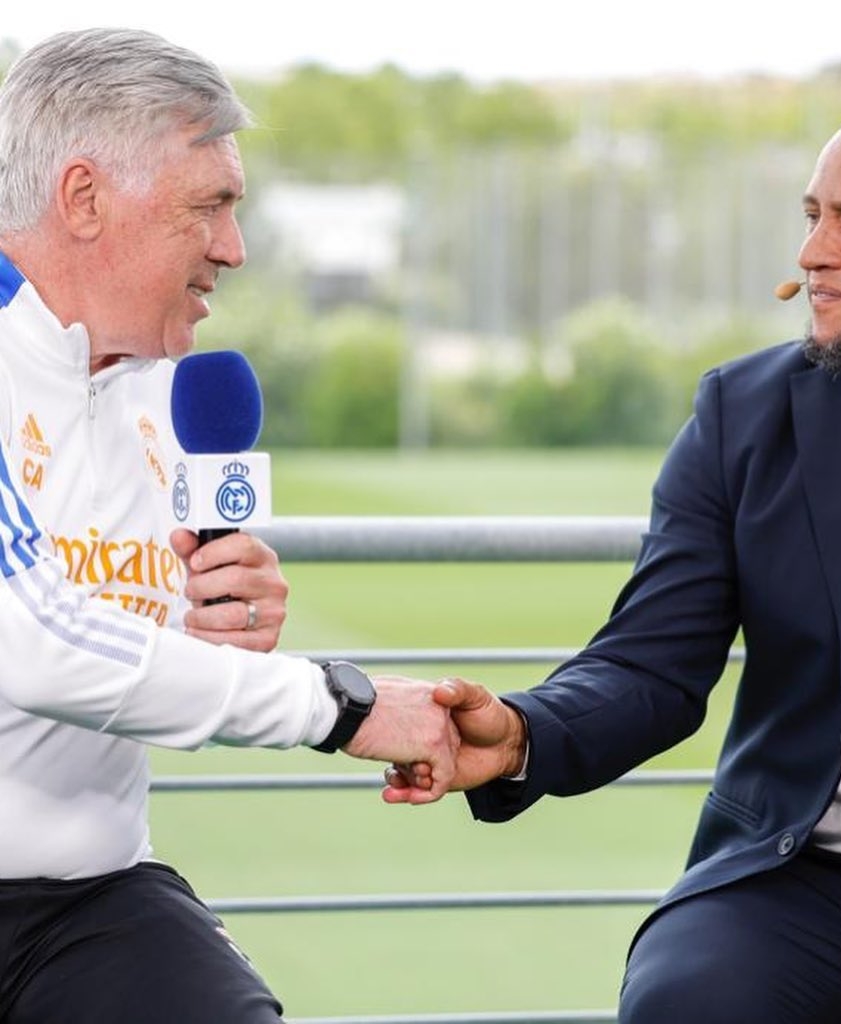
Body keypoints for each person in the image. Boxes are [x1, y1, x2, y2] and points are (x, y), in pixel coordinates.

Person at [387, 101, 841, 1023]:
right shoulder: (743, 414)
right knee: (688, 1002)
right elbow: (652, 664)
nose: (812, 253)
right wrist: (522, 733)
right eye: (812, 216)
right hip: (799, 876)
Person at [0, 28, 454, 1024]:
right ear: (82, 199)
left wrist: (218, 620)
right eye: (210, 205)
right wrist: (337, 705)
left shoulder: (178, 392)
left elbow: (116, 636)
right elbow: (29, 644)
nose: (234, 249)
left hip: (88, 898)